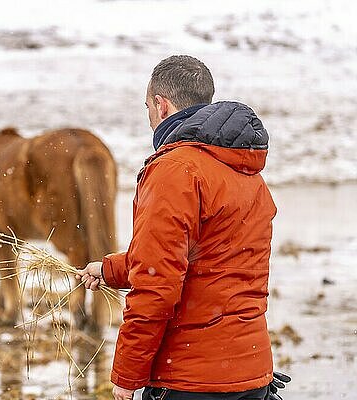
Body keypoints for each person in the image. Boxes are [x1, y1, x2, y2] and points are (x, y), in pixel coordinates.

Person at [76, 55, 290, 400]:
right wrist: (110, 269)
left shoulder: (175, 170)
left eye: (146, 107)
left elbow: (157, 284)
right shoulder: (246, 170)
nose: (148, 118)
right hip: (251, 374)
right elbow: (204, 260)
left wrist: (126, 376)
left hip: (190, 379)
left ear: (162, 106)